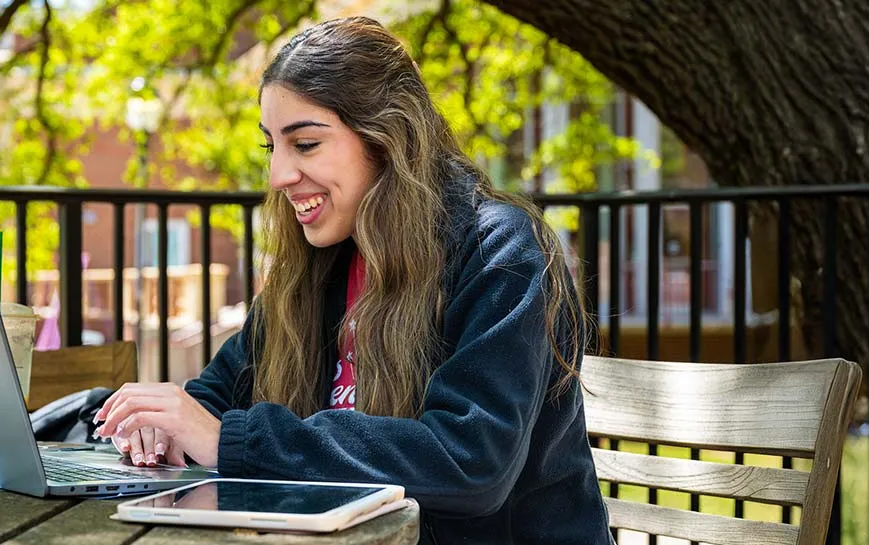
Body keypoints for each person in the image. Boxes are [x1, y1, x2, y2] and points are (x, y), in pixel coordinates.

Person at [93, 16, 613, 543]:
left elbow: (470, 461)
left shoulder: (498, 252)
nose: (279, 176)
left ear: (386, 138)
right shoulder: (317, 265)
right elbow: (220, 395)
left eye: (306, 144)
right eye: (271, 146)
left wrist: (231, 440)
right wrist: (164, 426)